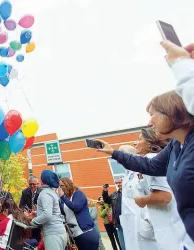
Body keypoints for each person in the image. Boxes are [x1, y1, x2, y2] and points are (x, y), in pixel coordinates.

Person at [96, 41, 194, 243]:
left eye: (154, 114)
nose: (150, 122)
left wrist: (182, 65)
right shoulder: (177, 147)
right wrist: (113, 153)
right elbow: (150, 165)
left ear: (172, 112)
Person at [28, 170, 67, 250]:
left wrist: (32, 222)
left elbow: (47, 215)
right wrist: (38, 213)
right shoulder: (51, 192)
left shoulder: (45, 193)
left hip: (53, 234)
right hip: (58, 232)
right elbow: (52, 212)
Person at [58, 177, 99, 250]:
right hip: (75, 234)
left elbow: (76, 207)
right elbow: (62, 212)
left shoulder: (78, 194)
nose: (60, 188)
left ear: (67, 185)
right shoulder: (66, 198)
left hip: (86, 232)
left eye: (62, 186)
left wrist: (62, 197)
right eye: (59, 186)